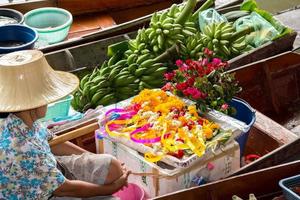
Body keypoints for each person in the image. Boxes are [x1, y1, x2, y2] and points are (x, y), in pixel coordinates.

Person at [0, 50, 130, 199]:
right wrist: (112, 187)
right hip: (42, 194)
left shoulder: (21, 121)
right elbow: (64, 189)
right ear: (33, 103)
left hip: (50, 169)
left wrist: (91, 157)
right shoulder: (22, 148)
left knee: (112, 166)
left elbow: (53, 142)